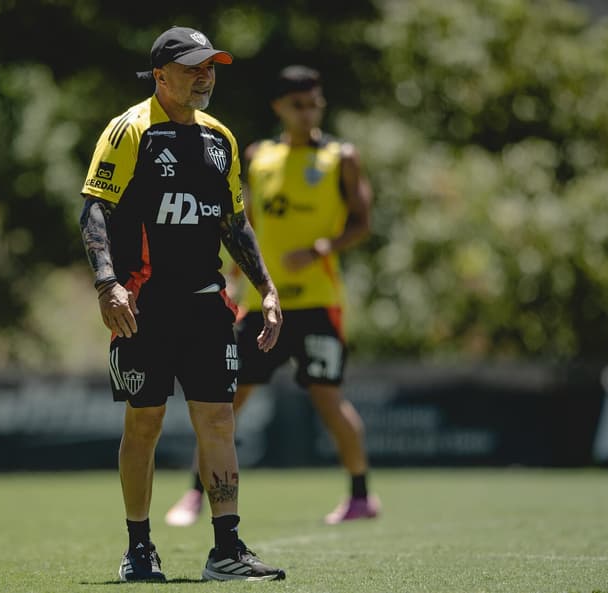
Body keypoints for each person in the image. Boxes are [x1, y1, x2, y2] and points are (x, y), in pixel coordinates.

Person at [79, 26, 286, 582]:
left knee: (218, 419)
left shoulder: (221, 139)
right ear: (161, 74)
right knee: (144, 424)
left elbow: (233, 220)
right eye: (193, 66)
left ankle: (227, 549)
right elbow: (95, 210)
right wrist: (107, 282)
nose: (205, 75)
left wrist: (266, 288)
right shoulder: (130, 131)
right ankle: (139, 548)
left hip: (205, 304)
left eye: (210, 66)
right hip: (142, 306)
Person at [165, 64, 380, 527]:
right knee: (225, 401)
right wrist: (243, 279)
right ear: (279, 107)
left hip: (319, 300)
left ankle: (361, 496)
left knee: (327, 397)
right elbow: (246, 224)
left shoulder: (341, 156)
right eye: (297, 105)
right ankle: (193, 495)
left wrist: (324, 247)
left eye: (314, 103)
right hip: (265, 304)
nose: (307, 113)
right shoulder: (258, 156)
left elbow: (362, 223)